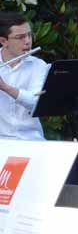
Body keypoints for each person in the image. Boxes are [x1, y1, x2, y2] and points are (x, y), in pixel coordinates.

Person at [0, 12, 49, 141]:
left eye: (29, 35)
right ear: (4, 41)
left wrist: (5, 87)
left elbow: (36, 102)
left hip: (30, 140)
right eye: (20, 37)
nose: (27, 41)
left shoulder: (38, 66)